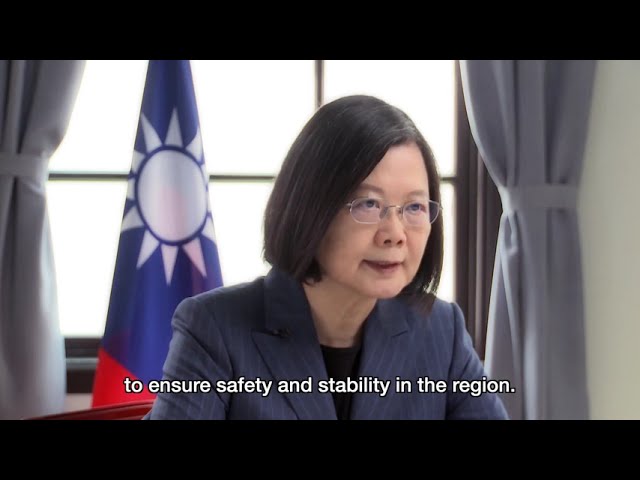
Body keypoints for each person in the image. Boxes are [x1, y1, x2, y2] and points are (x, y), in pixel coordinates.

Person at [146, 95, 509, 420]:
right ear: (310, 210)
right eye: (368, 204)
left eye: (414, 207)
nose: (395, 233)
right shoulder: (214, 328)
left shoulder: (441, 330)